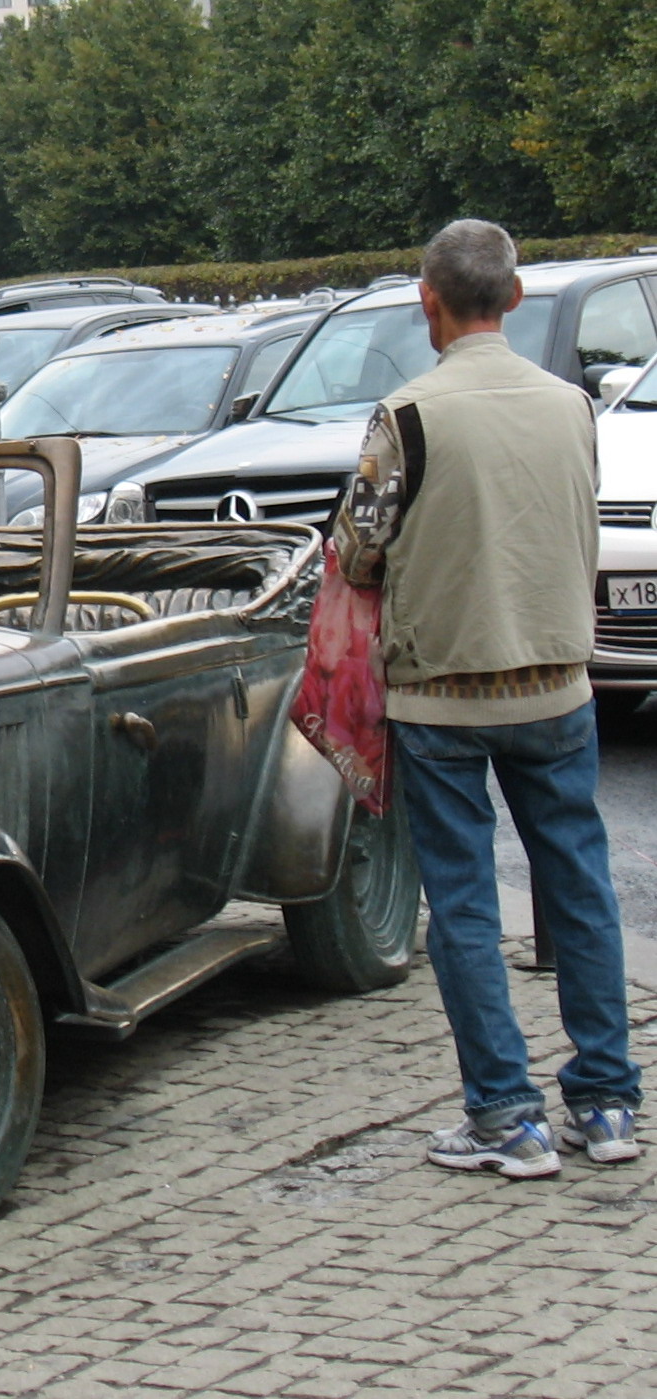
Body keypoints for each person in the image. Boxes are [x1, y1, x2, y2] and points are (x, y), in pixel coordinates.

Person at [334, 218, 642, 1177]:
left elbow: (357, 547)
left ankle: (506, 1116)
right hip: (558, 682)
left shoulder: (407, 415)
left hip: (441, 697)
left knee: (465, 903)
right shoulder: (574, 406)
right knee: (581, 886)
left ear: (428, 301)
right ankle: (607, 1103)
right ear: (513, 298)